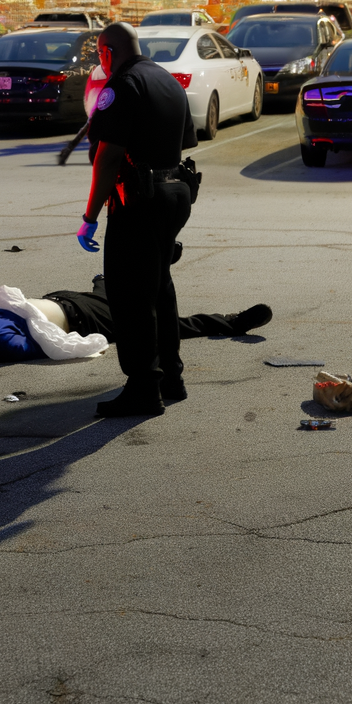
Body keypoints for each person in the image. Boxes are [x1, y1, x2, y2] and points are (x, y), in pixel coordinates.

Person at [76, 22, 198, 418]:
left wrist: (89, 216)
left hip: (139, 200)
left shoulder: (122, 85)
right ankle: (170, 377)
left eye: (99, 55)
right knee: (159, 286)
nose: (100, 62)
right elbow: (184, 142)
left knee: (130, 296)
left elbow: (107, 158)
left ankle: (144, 387)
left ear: (107, 52)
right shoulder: (168, 81)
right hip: (175, 192)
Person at [0, 276, 273, 363]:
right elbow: (41, 345)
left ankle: (106, 280)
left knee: (107, 290)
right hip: (85, 319)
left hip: (67, 301)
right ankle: (232, 322)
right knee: (161, 326)